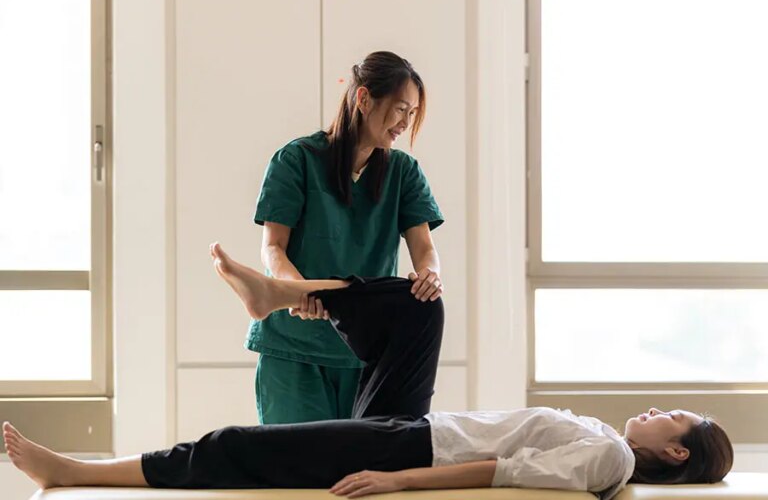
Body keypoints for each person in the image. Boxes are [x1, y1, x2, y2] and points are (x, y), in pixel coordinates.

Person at [2, 245, 733, 500]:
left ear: (676, 452)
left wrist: (398, 479)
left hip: (411, 447)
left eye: (674, 417)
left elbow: (499, 470)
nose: (659, 409)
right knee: (421, 307)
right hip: (417, 426)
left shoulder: (609, 458)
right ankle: (284, 295)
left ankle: (76, 472)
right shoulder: (605, 443)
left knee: (234, 446)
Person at [249, 50, 444, 424]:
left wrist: (430, 274)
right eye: (401, 109)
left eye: (413, 113)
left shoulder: (403, 172)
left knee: (362, 459)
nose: (406, 123)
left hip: (364, 351)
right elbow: (273, 248)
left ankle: (267, 292)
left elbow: (424, 248)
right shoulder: (296, 160)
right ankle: (274, 293)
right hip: (294, 346)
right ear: (364, 98)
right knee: (296, 460)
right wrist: (298, 292)